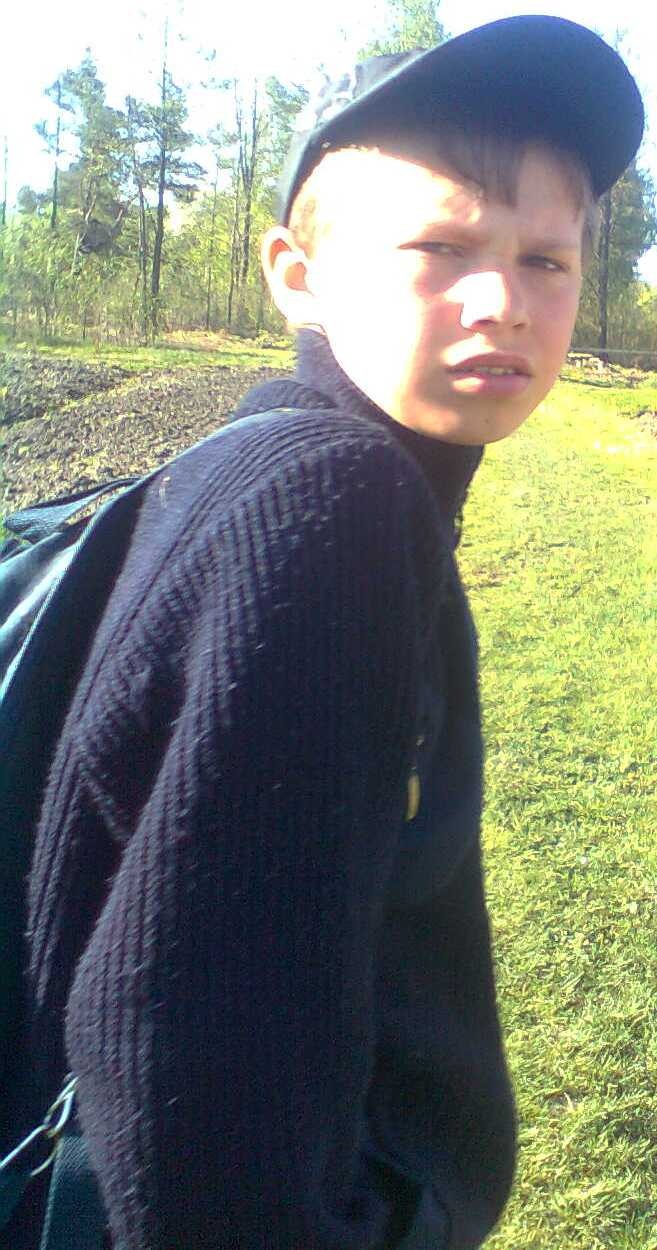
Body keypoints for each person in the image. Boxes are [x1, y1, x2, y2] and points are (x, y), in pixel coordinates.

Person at [23, 16, 643, 1250]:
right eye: (442, 246)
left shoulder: (283, 468)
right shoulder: (326, 507)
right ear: (296, 273)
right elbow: (193, 1084)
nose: (503, 302)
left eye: (546, 258)